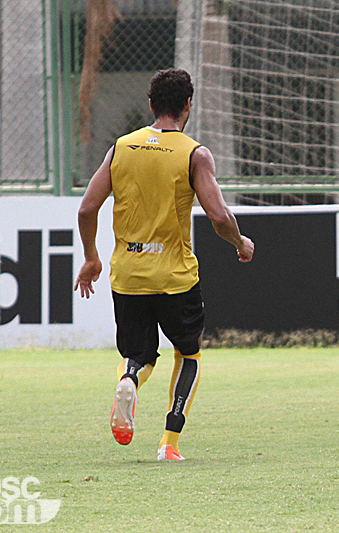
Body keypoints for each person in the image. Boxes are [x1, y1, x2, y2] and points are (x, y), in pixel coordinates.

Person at [74, 68, 255, 461]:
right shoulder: (194, 153)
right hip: (175, 277)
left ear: (151, 104)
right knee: (188, 354)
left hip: (128, 275)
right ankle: (169, 444)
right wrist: (240, 242)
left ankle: (129, 381)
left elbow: (88, 208)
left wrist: (91, 256)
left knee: (140, 354)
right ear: (189, 104)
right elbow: (220, 217)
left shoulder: (121, 147)